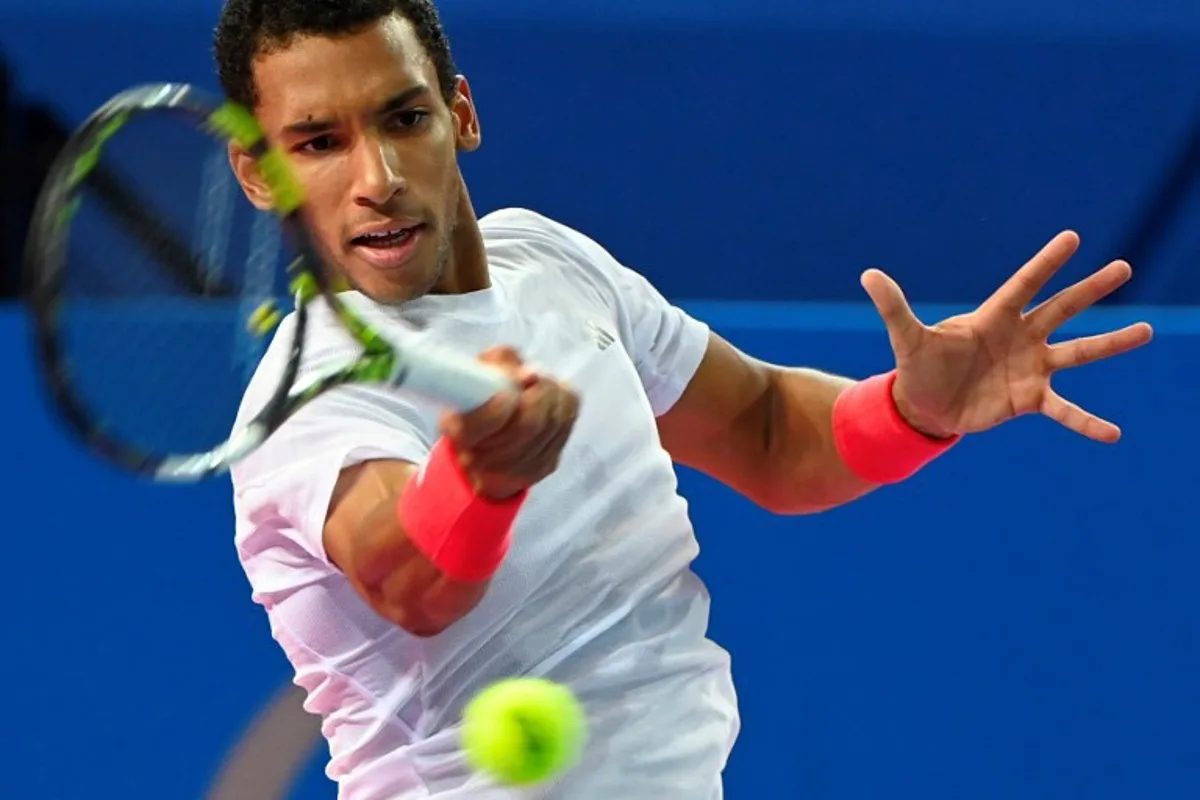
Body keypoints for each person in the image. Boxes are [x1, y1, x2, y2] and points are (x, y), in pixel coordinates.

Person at [218, 1, 1153, 797]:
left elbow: (767, 431)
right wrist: (480, 477)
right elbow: (410, 578)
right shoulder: (311, 392)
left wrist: (912, 411)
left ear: (461, 113)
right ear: (258, 171)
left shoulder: (546, 259)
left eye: (402, 120)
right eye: (318, 143)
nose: (376, 179)